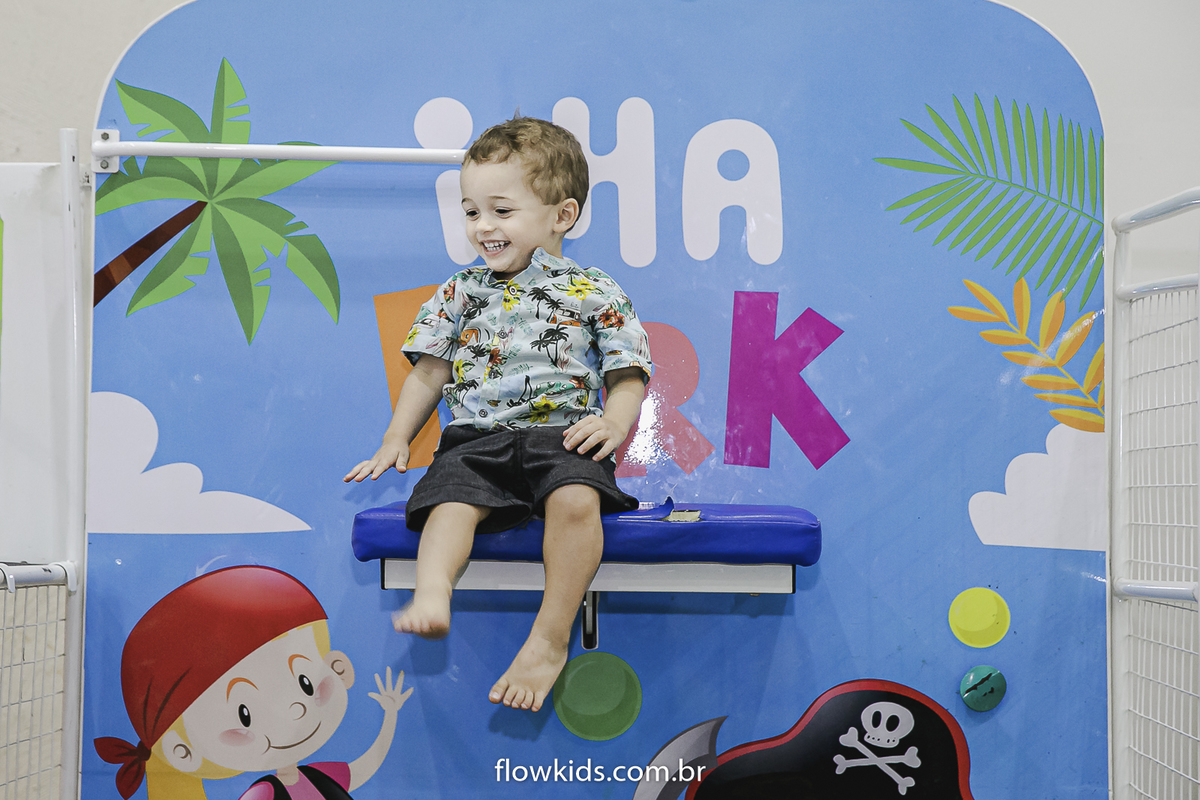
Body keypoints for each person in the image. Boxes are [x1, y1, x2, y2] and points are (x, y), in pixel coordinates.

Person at [344, 116, 652, 714]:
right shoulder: (461, 291)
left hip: (562, 437)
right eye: (471, 211)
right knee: (449, 502)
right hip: (475, 439)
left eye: (501, 211)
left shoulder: (594, 289)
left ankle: (548, 638)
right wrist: (395, 437)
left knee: (576, 500)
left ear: (562, 215)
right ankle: (433, 592)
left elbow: (627, 373)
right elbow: (429, 371)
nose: (482, 226)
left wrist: (614, 425)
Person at [94, 565, 412, 800]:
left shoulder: (320, 776)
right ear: (183, 751)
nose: (296, 708)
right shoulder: (263, 794)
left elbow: (364, 767)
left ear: (337, 667)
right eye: (244, 714)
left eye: (305, 682)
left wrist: (390, 714)